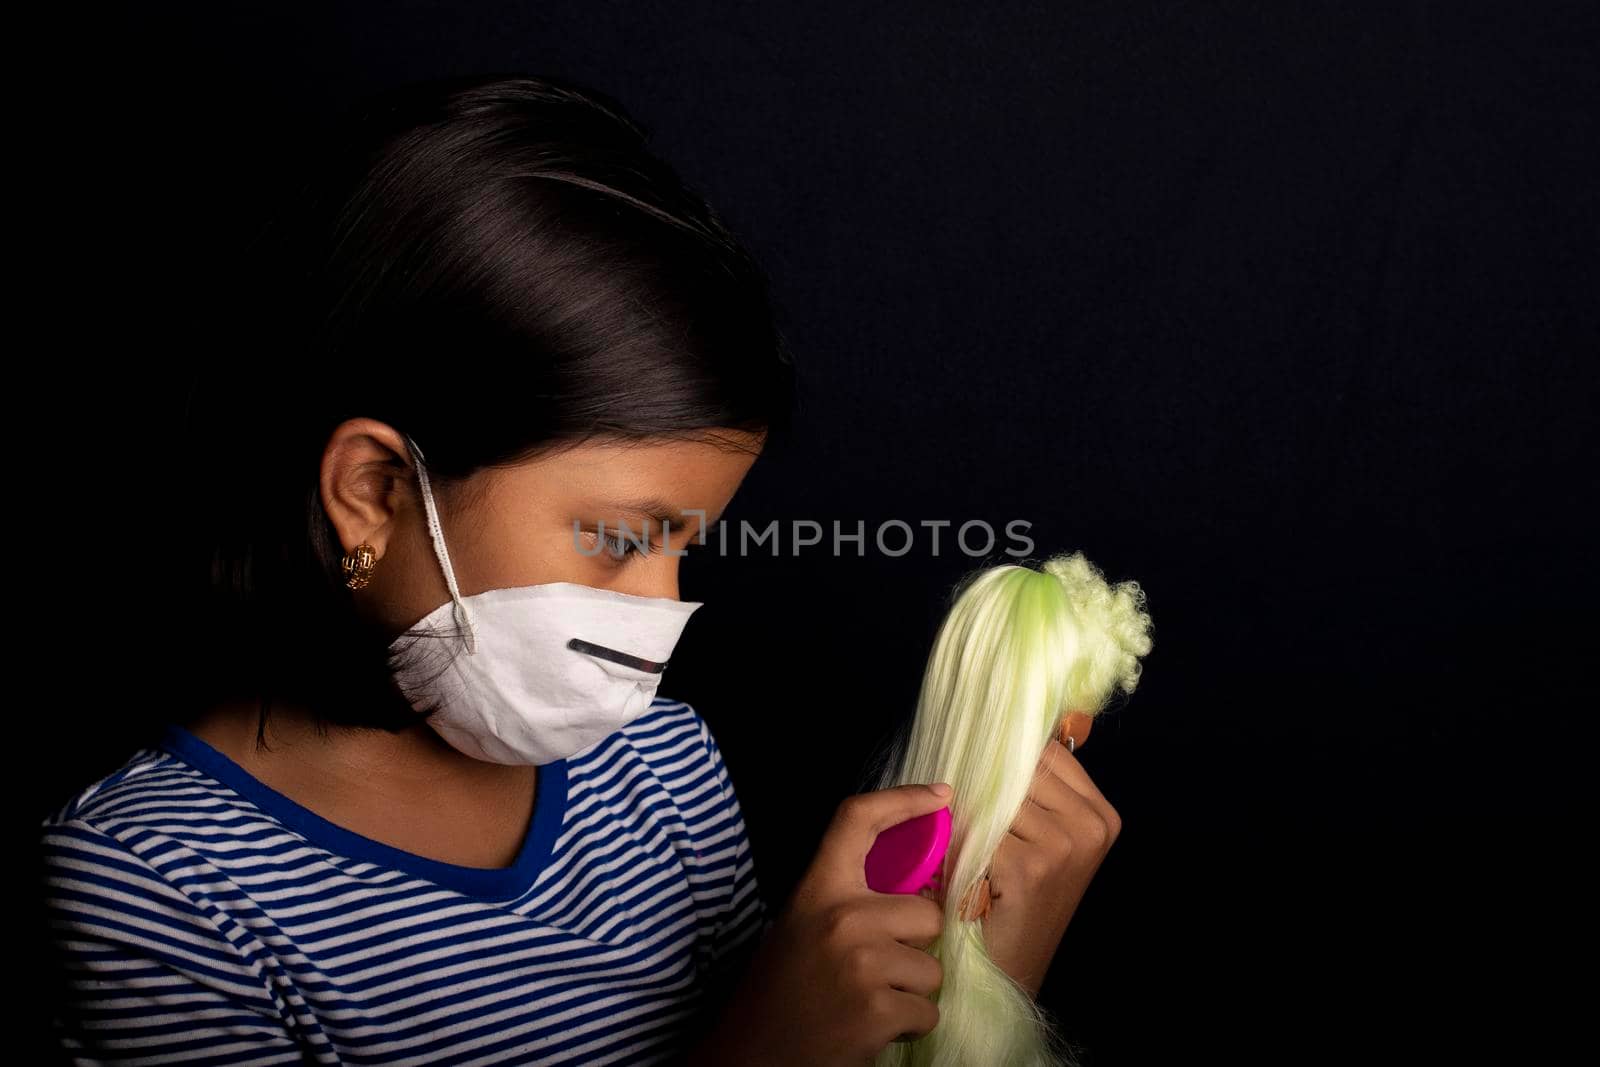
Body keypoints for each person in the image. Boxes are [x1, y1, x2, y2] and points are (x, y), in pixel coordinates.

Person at [38, 72, 1120, 1066]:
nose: (665, 607)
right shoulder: (154, 894)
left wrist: (973, 982)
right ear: (373, 489)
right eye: (615, 537)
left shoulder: (662, 768)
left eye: (686, 544)